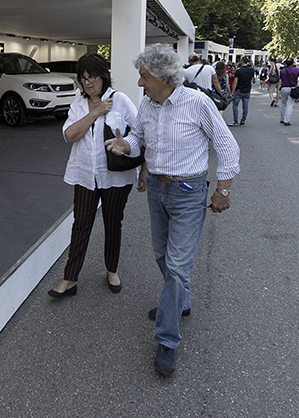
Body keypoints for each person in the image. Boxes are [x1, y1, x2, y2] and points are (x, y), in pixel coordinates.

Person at [105, 45, 239, 376]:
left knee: (177, 266)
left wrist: (223, 190)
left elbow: (227, 147)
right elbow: (138, 138)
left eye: (145, 76)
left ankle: (167, 339)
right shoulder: (148, 105)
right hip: (158, 190)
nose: (140, 83)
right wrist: (126, 146)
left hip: (188, 191)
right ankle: (180, 302)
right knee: (162, 257)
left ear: (165, 77)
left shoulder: (197, 103)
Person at [48, 54, 140, 298]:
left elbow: (140, 132)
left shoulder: (119, 100)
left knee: (113, 224)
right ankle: (70, 278)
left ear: (104, 76)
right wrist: (95, 112)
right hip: (85, 175)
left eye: (93, 77)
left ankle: (112, 270)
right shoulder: (78, 105)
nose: (88, 83)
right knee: (80, 225)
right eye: (83, 78)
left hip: (116, 177)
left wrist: (141, 164)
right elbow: (70, 135)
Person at [228, 56, 256, 126]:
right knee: (245, 106)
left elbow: (235, 82)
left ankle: (235, 120)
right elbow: (252, 79)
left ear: (241, 61)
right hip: (247, 90)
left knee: (235, 105)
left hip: (239, 90)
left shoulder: (238, 70)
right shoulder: (251, 70)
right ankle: (243, 120)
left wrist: (232, 92)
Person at [278, 58, 299, 126]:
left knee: (283, 104)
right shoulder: (297, 70)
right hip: (293, 88)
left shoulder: (282, 71)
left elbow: (281, 79)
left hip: (284, 88)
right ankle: (287, 120)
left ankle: (282, 119)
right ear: (293, 63)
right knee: (289, 105)